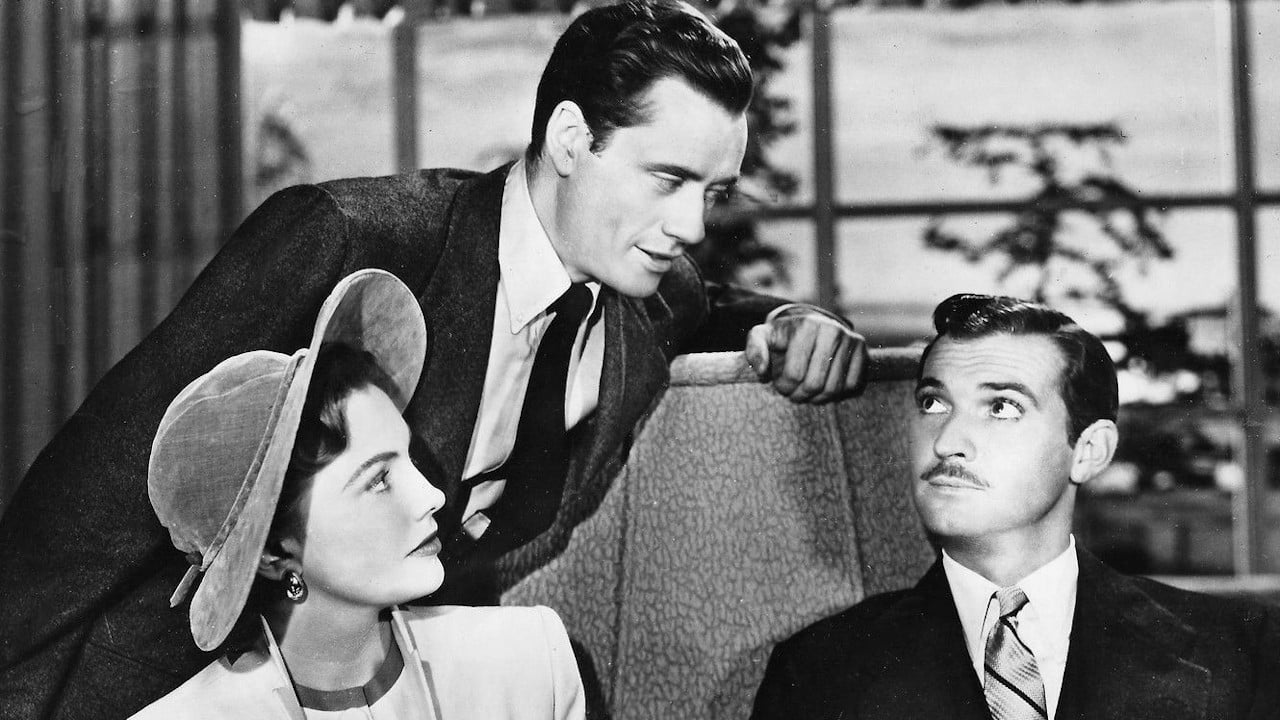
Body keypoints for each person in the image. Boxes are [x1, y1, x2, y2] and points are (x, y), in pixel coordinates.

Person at [0, 2, 868, 717]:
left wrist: (790, 319)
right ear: (571, 138)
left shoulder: (654, 292)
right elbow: (97, 489)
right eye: (668, 180)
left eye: (714, 192)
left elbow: (712, 306)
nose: (693, 226)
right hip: (175, 679)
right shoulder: (349, 238)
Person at [750, 294, 1280, 720]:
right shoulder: (818, 670)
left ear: (1089, 452)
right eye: (933, 402)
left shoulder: (1243, 650)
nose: (947, 442)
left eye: (1002, 407)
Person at [131, 269, 583, 720]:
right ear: (272, 552)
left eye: (408, 458)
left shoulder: (529, 665)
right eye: (378, 480)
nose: (432, 496)